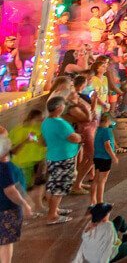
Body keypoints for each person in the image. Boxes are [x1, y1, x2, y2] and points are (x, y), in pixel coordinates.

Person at [41, 96, 80, 225]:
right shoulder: (60, 123)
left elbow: (42, 141)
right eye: (63, 105)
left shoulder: (46, 122)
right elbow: (73, 138)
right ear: (58, 108)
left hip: (52, 157)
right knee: (60, 186)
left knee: (52, 184)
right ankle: (52, 215)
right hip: (63, 158)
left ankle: (54, 209)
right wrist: (79, 136)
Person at [0, 133, 35, 263]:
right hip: (6, 209)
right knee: (6, 242)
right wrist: (24, 204)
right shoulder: (4, 167)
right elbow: (10, 190)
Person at [9, 107, 45, 212]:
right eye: (39, 119)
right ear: (32, 118)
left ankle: (38, 206)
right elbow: (13, 149)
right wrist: (28, 139)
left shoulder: (39, 128)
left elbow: (42, 143)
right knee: (26, 188)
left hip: (37, 160)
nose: (41, 121)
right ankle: (27, 209)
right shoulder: (18, 130)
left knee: (39, 184)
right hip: (23, 164)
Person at [90, 113, 118, 206]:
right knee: (102, 181)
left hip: (97, 157)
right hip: (105, 158)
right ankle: (100, 202)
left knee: (96, 179)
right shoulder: (107, 131)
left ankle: (92, 201)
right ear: (108, 121)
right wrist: (113, 156)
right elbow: (107, 145)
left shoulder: (97, 130)